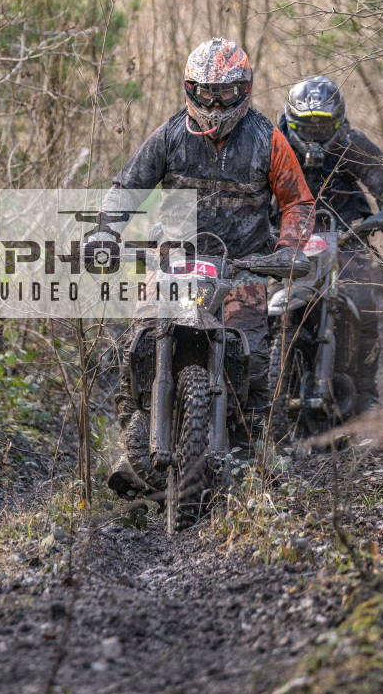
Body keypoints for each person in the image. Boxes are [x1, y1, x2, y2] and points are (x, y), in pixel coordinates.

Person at [104, 38, 315, 497]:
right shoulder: (170, 135)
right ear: (190, 90)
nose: (216, 103)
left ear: (245, 91)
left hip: (243, 265)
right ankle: (133, 441)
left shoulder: (267, 139)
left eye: (226, 93)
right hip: (175, 259)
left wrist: (287, 247)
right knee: (136, 343)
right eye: (206, 93)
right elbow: (128, 186)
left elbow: (297, 201)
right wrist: (106, 230)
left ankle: (252, 453)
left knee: (254, 362)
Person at [279, 75, 383, 413]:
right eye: (306, 126)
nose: (314, 134)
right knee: (255, 306)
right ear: (292, 121)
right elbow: (252, 192)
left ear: (338, 121)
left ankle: (367, 396)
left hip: (346, 237)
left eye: (322, 126)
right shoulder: (273, 147)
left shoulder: (354, 144)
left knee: (363, 300)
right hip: (287, 241)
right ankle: (254, 402)